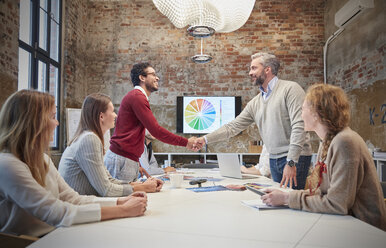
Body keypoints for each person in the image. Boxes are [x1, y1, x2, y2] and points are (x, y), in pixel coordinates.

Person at [0, 90, 147, 237]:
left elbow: (73, 199)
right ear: (33, 122)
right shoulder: (7, 165)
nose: (57, 123)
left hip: (54, 234)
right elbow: (55, 212)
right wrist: (124, 210)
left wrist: (121, 202)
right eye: (52, 117)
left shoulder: (42, 159)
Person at [261, 84, 386, 231]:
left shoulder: (344, 142)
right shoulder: (327, 141)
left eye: (303, 109)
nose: (300, 115)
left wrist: (288, 199)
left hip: (364, 229)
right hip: (347, 222)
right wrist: (285, 196)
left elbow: (337, 204)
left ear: (316, 112)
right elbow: (322, 192)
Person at [195, 52, 312, 189]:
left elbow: (299, 125)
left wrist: (291, 162)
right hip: (273, 159)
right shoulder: (255, 102)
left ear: (267, 69)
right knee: (277, 203)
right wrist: (205, 139)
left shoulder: (290, 89)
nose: (250, 73)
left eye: (254, 68)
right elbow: (232, 127)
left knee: (292, 203)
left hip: (295, 158)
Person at [105, 62, 200, 182]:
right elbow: (156, 131)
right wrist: (186, 142)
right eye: (153, 74)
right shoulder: (137, 97)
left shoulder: (138, 97)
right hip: (122, 158)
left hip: (127, 159)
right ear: (142, 77)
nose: (157, 78)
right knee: (126, 199)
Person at [59, 93, 162, 196]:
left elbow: (108, 180)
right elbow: (107, 189)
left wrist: (140, 184)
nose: (115, 115)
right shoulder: (89, 139)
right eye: (112, 111)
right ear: (101, 116)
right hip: (80, 208)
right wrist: (142, 188)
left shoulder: (88, 137)